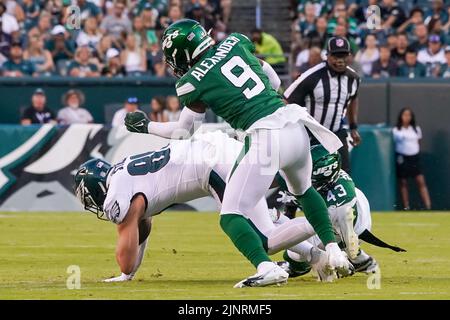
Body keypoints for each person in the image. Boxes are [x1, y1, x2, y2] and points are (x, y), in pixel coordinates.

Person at [124, 19, 352, 287]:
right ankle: (334, 251)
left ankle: (266, 267)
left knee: (231, 215)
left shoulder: (192, 82)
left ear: (182, 54)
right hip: (295, 125)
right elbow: (274, 79)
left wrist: (146, 125)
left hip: (266, 136)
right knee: (304, 191)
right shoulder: (236, 42)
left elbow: (184, 131)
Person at [74, 131, 340, 283]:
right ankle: (319, 257)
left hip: (212, 164)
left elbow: (127, 256)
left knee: (264, 240)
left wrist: (125, 273)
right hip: (216, 149)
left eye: (89, 196)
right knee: (265, 224)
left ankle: (323, 228)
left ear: (98, 187)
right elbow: (140, 228)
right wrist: (127, 276)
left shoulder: (119, 193)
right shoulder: (126, 176)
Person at [275, 145, 406, 279]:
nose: (302, 176)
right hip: (343, 215)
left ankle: (352, 259)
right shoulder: (296, 175)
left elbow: (350, 233)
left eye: (307, 173)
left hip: (352, 225)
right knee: (292, 239)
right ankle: (355, 259)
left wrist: (344, 255)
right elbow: (287, 197)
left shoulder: (340, 202)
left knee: (296, 253)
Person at [284, 36, 361, 174]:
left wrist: (353, 126)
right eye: (336, 56)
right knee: (308, 175)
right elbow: (287, 98)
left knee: (344, 174)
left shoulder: (353, 78)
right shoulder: (312, 76)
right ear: (327, 56)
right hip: (310, 134)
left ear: (349, 56)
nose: (340, 60)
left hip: (337, 133)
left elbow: (353, 98)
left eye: (343, 56)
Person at [393, 108, 431, 210]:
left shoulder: (416, 129)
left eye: (409, 115)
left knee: (420, 181)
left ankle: (428, 206)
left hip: (414, 158)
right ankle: (406, 207)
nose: (407, 117)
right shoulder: (396, 130)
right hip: (402, 157)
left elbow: (418, 142)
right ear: (401, 116)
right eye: (404, 115)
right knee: (403, 182)